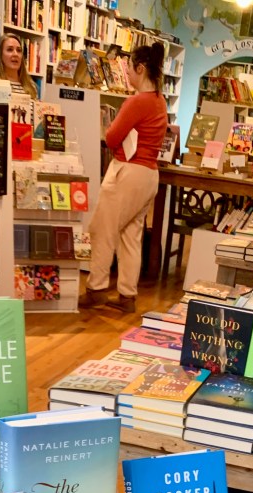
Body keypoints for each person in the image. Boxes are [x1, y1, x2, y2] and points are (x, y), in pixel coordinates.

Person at [79, 41, 168, 314]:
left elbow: (111, 137)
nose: (126, 73)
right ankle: (127, 296)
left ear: (140, 68)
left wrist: (114, 140)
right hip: (149, 175)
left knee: (102, 229)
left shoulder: (136, 101)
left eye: (129, 68)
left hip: (127, 173)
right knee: (131, 235)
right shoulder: (159, 101)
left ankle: (96, 288)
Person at [0, 33, 37, 98]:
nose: (15, 54)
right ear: (0, 55)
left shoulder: (31, 86)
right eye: (10, 49)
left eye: (19, 50)